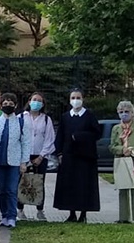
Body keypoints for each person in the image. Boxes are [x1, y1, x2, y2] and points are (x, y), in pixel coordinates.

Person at [53, 89, 102, 223]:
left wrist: (80, 136)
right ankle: (72, 213)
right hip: (69, 156)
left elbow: (97, 133)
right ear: (69, 100)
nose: (76, 100)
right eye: (73, 97)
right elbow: (60, 135)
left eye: (78, 97)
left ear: (83, 99)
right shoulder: (65, 117)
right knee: (70, 185)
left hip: (86, 158)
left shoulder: (89, 116)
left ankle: (83, 214)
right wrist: (59, 153)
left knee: (84, 185)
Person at [0, 93, 29, 228]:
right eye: (5, 104)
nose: (8, 106)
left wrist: (24, 161)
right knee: (2, 190)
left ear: (16, 106)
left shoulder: (21, 122)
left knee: (11, 189)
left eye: (11, 104)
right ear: (0, 106)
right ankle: (4, 215)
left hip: (14, 162)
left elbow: (26, 142)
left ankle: (12, 216)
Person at [19, 92, 55, 221]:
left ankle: (40, 211)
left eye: (39, 100)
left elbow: (49, 138)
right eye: (34, 100)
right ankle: (20, 210)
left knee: (39, 183)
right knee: (23, 182)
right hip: (24, 155)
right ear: (29, 101)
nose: (36, 102)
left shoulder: (46, 119)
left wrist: (41, 156)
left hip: (40, 155)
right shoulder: (21, 117)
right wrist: (24, 157)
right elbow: (18, 137)